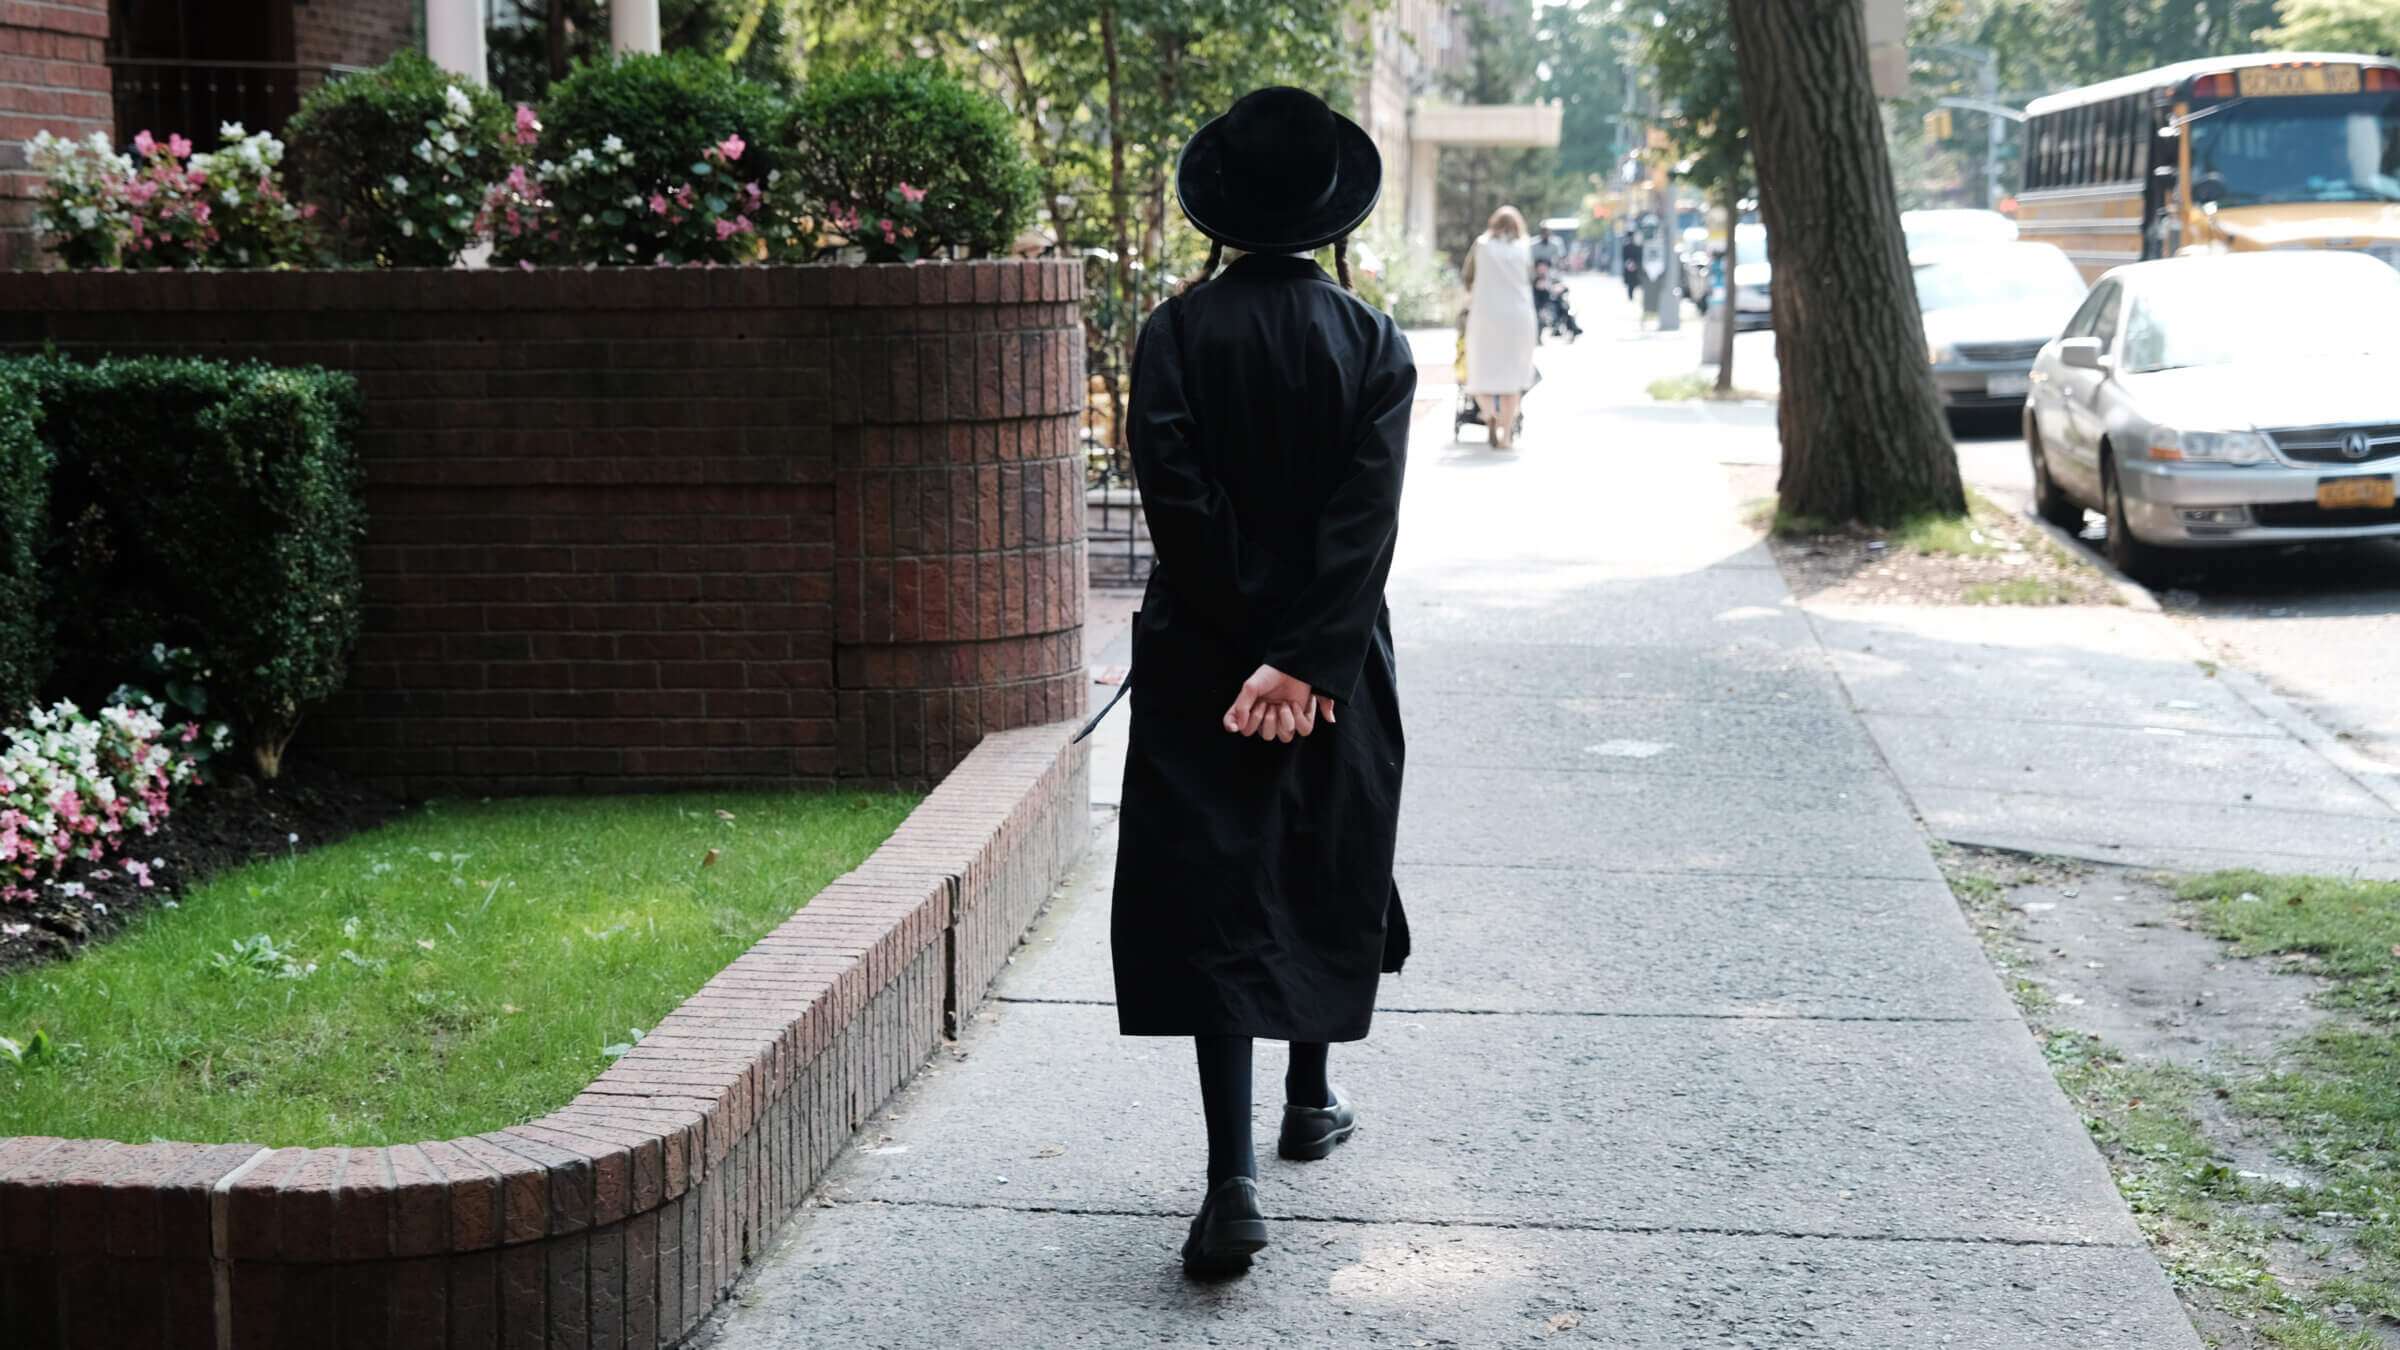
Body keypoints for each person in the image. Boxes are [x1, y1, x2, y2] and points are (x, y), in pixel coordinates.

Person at [1115, 84, 1414, 1280]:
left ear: (1222, 210)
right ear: (1329, 210)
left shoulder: (1173, 335)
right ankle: (1311, 1095)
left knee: (1219, 901)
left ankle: (1232, 1181)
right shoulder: (1376, 342)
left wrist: (1251, 654)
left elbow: (1178, 509)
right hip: (1335, 660)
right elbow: (1366, 519)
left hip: (1205, 664)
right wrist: (1303, 658)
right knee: (1320, 864)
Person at [1463, 205, 1537, 448]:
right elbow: (1531, 278)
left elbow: (1468, 277)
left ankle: (1489, 414)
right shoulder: (1524, 248)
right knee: (1513, 379)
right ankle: (1505, 437)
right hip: (1518, 318)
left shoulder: (1481, 245)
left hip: (1486, 317)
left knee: (1479, 373)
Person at [1533, 259, 1581, 342]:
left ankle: (1572, 328)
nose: (1542, 269)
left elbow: (1565, 288)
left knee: (1566, 308)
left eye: (1544, 267)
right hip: (1542, 305)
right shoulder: (1535, 279)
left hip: (1557, 304)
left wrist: (1559, 288)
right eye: (1540, 267)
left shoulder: (1552, 277)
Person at [1620, 231, 1644, 303]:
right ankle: (1631, 296)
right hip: (1631, 267)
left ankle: (1631, 296)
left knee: (1632, 283)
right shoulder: (1635, 247)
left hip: (1631, 267)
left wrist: (1630, 264)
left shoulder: (1627, 246)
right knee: (1632, 283)